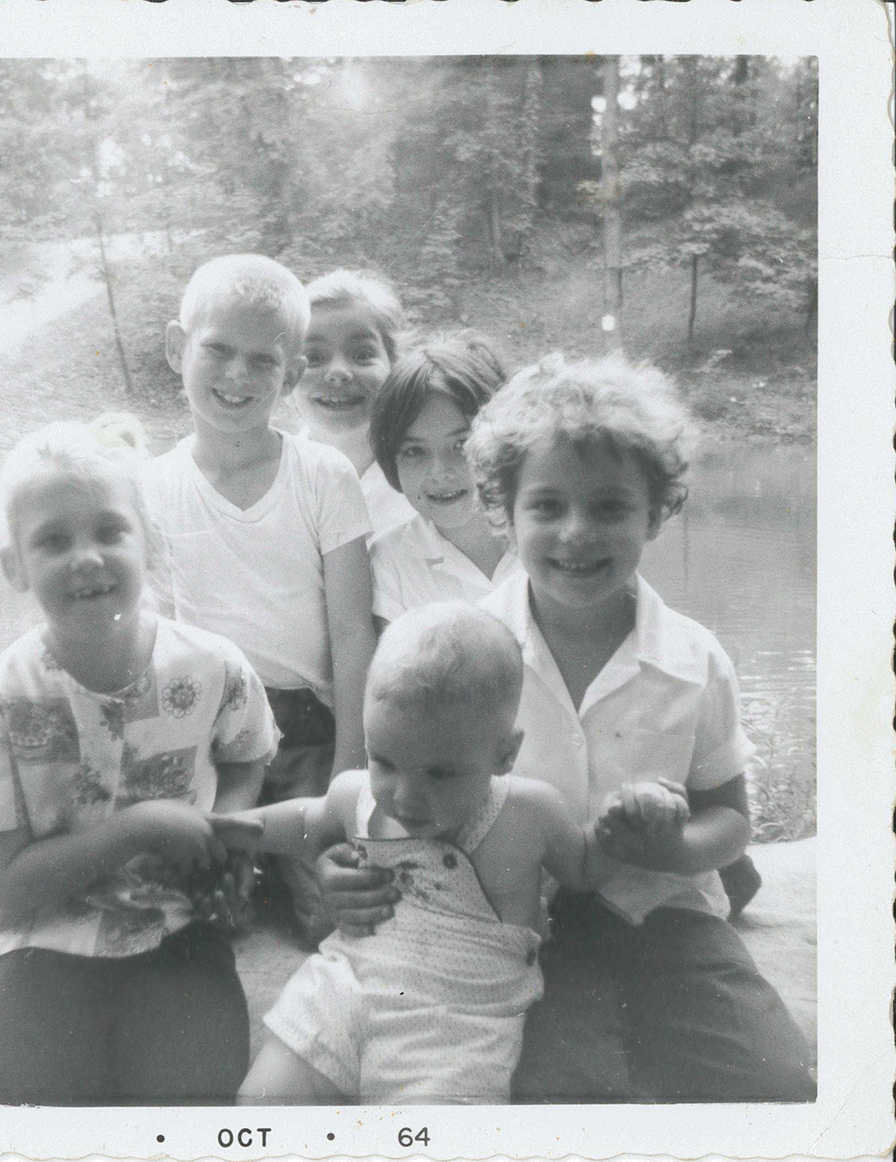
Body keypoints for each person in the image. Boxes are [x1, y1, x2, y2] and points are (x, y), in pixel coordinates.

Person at [319, 352, 815, 1102]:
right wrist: (346, 869)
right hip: (513, 926)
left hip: (665, 913)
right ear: (504, 511)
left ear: (657, 512)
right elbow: (395, 802)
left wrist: (672, 844)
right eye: (547, 507)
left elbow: (731, 821)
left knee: (773, 1082)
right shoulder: (459, 652)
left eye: (611, 507)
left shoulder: (693, 658)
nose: (576, 533)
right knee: (564, 1094)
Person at [212, 601, 689, 1105]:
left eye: (440, 774)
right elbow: (307, 822)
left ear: (503, 754)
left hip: (460, 1020)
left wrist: (630, 824)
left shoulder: (528, 814)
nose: (405, 795)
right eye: (385, 761)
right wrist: (227, 828)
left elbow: (585, 866)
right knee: (261, 1106)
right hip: (346, 984)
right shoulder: (358, 796)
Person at [0, 417, 280, 1105]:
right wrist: (141, 828)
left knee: (192, 1098)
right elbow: (5, 885)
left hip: (180, 927)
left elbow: (250, 756)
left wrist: (226, 839)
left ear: (149, 542)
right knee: (26, 1109)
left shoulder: (212, 666)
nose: (87, 557)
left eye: (108, 531)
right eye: (53, 541)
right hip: (43, 941)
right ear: (14, 566)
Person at [143, 254, 377, 943]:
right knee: (205, 914)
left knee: (331, 916)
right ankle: (247, 871)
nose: (238, 376)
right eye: (218, 350)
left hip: (307, 727)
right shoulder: (151, 485)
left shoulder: (323, 476)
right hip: (207, 730)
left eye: (263, 360)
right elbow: (155, 639)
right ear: (176, 348)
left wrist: (347, 771)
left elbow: (354, 632)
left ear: (292, 375)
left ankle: (287, 864)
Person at [367, 333, 520, 632]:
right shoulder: (390, 562)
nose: (440, 471)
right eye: (414, 451)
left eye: (461, 445)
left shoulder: (543, 535)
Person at [293, 269, 415, 538]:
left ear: (393, 364)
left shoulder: (425, 479)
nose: (338, 372)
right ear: (287, 373)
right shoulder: (270, 481)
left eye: (362, 354)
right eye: (313, 357)